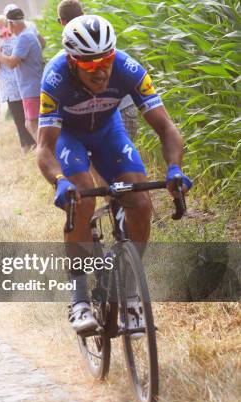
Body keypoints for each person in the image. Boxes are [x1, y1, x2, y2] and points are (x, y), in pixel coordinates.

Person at [35, 16, 192, 333]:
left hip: (109, 131)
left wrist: (174, 168)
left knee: (140, 201)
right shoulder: (54, 78)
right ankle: (79, 299)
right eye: (91, 66)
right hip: (70, 136)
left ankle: (130, 292)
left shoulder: (128, 68)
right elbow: (44, 148)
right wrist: (59, 181)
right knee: (82, 197)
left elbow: (166, 128)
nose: (102, 70)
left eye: (106, 60)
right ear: (72, 61)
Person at [56, 0, 139, 139]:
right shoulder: (101, 33)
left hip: (101, 116)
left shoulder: (69, 56)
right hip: (126, 106)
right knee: (122, 155)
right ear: (84, 13)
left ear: (62, 22)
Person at [0, 5, 45, 143]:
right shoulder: (29, 34)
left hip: (31, 88)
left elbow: (11, 63)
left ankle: (46, 150)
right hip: (33, 85)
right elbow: (43, 43)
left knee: (32, 124)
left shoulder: (24, 38)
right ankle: (47, 148)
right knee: (33, 124)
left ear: (10, 24)